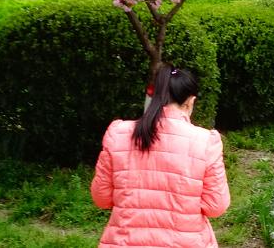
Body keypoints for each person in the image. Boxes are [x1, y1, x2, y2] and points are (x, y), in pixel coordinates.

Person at [91, 64, 230, 248]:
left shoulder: (118, 134)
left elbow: (101, 198)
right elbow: (215, 206)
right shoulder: (205, 142)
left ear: (154, 96)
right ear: (190, 101)